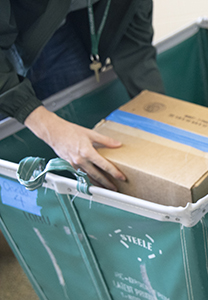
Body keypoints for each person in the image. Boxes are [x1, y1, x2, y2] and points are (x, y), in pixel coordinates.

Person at [0, 0, 165, 191]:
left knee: (84, 154)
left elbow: (134, 42)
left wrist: (161, 121)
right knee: (11, 170)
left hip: (56, 30)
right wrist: (48, 126)